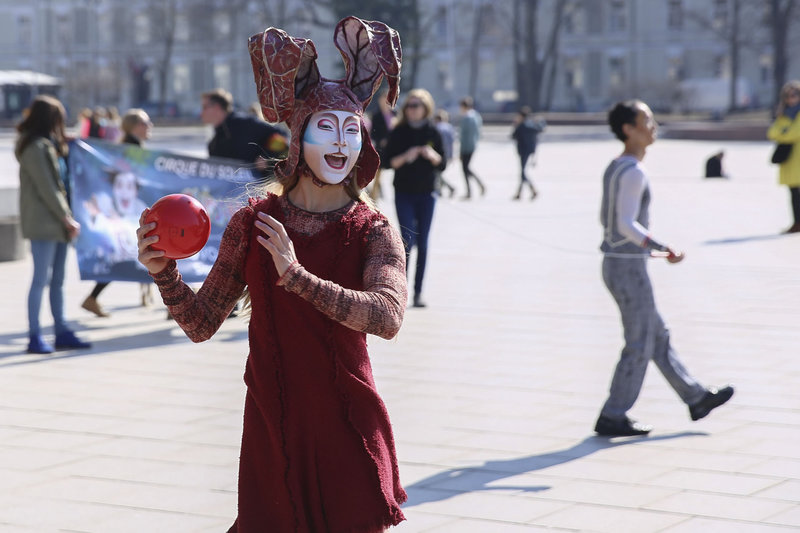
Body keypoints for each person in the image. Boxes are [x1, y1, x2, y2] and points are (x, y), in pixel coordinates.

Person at [137, 17, 406, 531]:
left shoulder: (372, 228)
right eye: (326, 126)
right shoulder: (252, 223)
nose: (341, 140)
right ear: (299, 134)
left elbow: (388, 316)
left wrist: (298, 277)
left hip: (346, 427)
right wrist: (165, 274)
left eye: (352, 129)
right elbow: (201, 324)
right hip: (273, 424)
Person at [595, 99, 734, 437]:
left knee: (657, 336)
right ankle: (613, 414)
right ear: (629, 130)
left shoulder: (617, 166)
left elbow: (607, 219)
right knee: (640, 342)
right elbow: (626, 223)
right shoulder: (633, 171)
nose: (652, 126)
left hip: (618, 264)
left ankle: (695, 397)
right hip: (628, 267)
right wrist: (660, 248)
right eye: (646, 120)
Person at [16, 95, 91, 354]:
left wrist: (68, 144)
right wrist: (67, 217)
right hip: (45, 222)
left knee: (58, 280)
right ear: (50, 119)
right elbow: (48, 188)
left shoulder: (49, 144)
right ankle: (34, 335)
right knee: (40, 279)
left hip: (58, 223)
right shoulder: (35, 147)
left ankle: (61, 329)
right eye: (60, 118)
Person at [82, 108, 153, 317]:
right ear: (133, 127)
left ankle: (92, 297)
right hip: (126, 213)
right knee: (134, 256)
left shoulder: (130, 146)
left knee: (131, 257)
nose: (149, 127)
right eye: (145, 123)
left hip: (129, 211)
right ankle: (92, 297)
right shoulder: (130, 149)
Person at [383, 89, 446, 308]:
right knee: (407, 241)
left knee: (424, 243)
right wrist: (406, 156)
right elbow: (386, 162)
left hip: (427, 194)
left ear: (425, 108)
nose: (412, 109)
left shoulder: (433, 132)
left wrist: (432, 156)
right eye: (409, 105)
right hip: (404, 193)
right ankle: (402, 290)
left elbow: (444, 163)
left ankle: (419, 292)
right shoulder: (399, 132)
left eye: (417, 105)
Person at [200, 87, 288, 181]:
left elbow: (281, 136)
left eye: (204, 107)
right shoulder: (213, 144)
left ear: (216, 107)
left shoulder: (245, 123)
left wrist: (267, 157)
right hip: (236, 193)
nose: (201, 113)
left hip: (262, 188)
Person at [767, 80, 800, 233]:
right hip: (789, 160)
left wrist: (783, 133)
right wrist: (785, 133)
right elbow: (772, 133)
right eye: (788, 96)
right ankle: (796, 222)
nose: (791, 99)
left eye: (794, 95)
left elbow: (795, 133)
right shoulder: (783, 115)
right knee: (793, 193)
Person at [511, 106, 546, 200]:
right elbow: (540, 129)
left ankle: (532, 189)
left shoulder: (521, 126)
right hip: (530, 150)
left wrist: (516, 125)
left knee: (522, 173)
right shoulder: (531, 125)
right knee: (522, 172)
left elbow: (513, 136)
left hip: (523, 151)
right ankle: (519, 193)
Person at [368, 89, 396, 200]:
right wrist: (381, 141)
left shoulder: (395, 113)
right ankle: (374, 197)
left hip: (394, 148)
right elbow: (373, 133)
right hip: (382, 149)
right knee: (378, 174)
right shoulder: (376, 115)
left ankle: (379, 192)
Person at [458, 96, 485, 199]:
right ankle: (478, 184)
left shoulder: (466, 118)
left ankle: (470, 190)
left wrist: (461, 150)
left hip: (466, 146)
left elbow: (463, 136)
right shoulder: (476, 116)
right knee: (466, 168)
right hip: (473, 145)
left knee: (465, 169)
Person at [433, 109, 457, 197]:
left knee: (436, 173)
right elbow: (452, 142)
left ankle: (443, 189)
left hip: (438, 154)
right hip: (447, 153)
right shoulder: (449, 127)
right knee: (438, 173)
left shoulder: (436, 128)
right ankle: (443, 189)